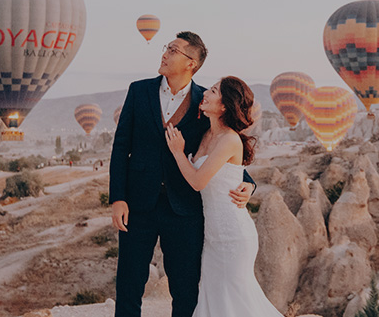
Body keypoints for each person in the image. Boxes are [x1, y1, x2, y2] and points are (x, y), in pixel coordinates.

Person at [110, 31, 256, 317]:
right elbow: (121, 146)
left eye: (173, 50)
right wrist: (118, 198)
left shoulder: (206, 101)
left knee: (185, 288)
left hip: (185, 209)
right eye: (166, 48)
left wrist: (248, 183)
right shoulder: (138, 91)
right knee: (129, 283)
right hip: (138, 205)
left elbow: (225, 144)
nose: (164, 53)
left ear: (191, 63)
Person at [164, 76, 283, 317]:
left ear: (224, 105)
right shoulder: (207, 134)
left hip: (234, 235)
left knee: (236, 302)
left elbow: (198, 182)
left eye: (214, 90)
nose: (206, 93)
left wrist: (178, 152)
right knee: (215, 301)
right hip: (213, 238)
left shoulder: (229, 139)